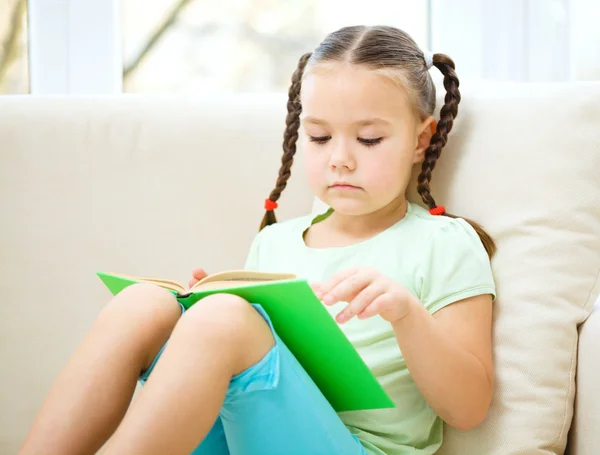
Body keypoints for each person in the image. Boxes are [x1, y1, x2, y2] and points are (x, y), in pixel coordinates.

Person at [18, 25, 496, 455]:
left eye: (368, 139)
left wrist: (406, 314)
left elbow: (469, 408)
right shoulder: (276, 242)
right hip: (249, 435)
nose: (341, 160)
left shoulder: (444, 242)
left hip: (361, 448)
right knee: (146, 304)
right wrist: (200, 316)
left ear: (420, 140)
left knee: (224, 319)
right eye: (320, 137)